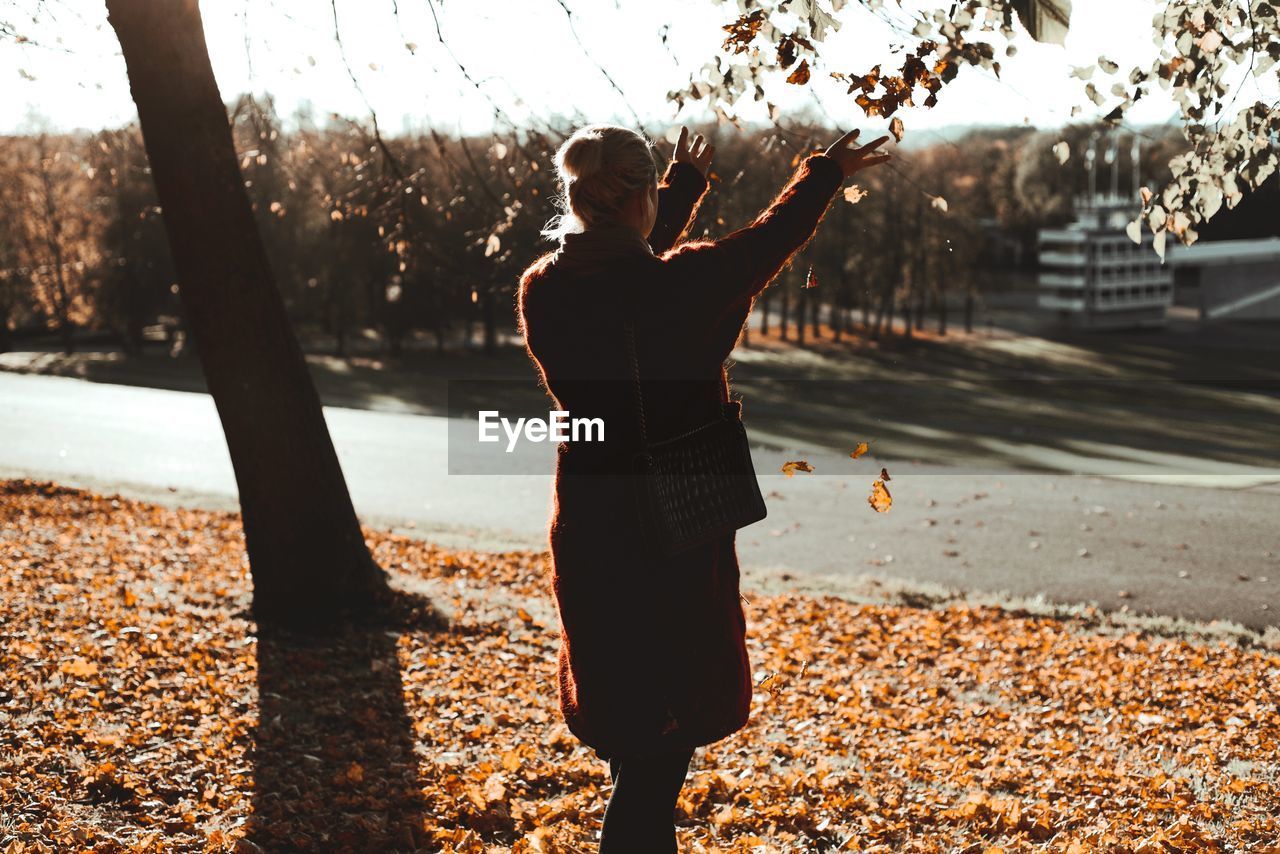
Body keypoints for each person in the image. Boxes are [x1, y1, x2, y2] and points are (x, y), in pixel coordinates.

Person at [517, 124, 890, 851]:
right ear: (636, 201)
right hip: (670, 534)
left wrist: (674, 194)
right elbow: (763, 243)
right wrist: (825, 174)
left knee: (632, 729)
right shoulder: (681, 286)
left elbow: (621, 283)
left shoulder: (545, 291)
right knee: (660, 754)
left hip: (591, 527)